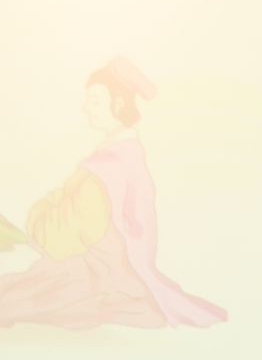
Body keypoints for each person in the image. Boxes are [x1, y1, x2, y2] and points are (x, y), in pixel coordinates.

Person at [0, 57, 226, 330]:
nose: (86, 108)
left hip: (101, 274)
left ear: (118, 104)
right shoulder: (126, 154)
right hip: (108, 268)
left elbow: (67, 234)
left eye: (95, 101)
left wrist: (41, 215)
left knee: (22, 297)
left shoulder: (107, 167)